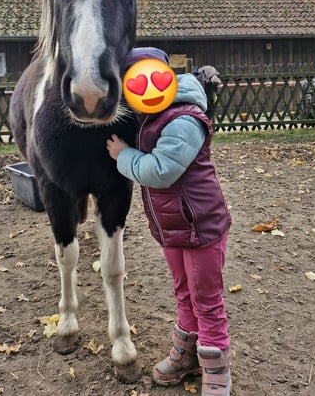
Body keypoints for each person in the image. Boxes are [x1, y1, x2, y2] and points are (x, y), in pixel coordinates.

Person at [106, 47, 232, 396]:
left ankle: (217, 369)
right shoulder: (150, 116)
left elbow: (161, 172)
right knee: (184, 293)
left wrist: (124, 156)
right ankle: (187, 356)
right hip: (173, 228)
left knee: (206, 299)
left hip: (200, 227)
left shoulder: (183, 119)